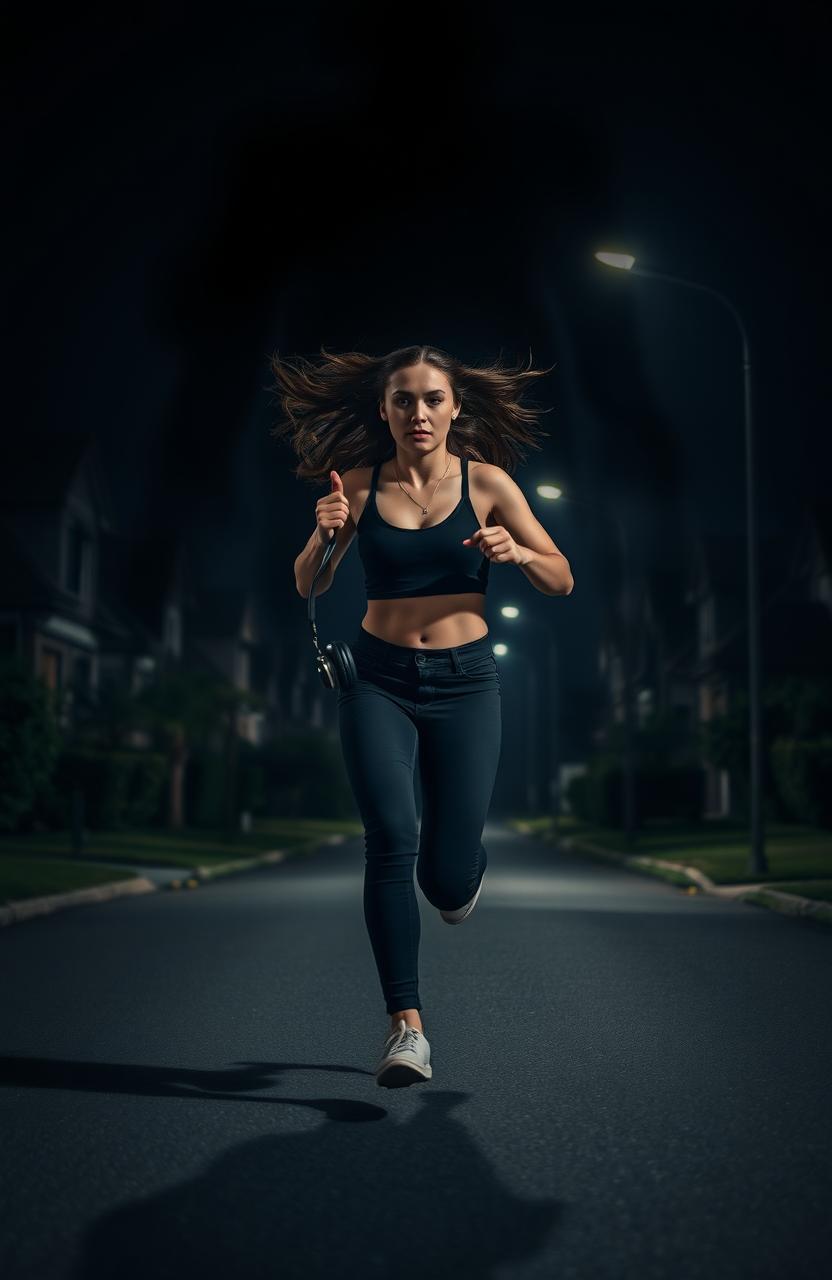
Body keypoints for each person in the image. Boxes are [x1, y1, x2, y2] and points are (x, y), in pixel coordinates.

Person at [272, 343, 573, 1088]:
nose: (419, 413)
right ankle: (406, 1028)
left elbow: (561, 578)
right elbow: (308, 582)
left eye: (432, 398)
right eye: (403, 399)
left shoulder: (489, 484)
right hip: (377, 680)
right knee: (390, 839)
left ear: (455, 407)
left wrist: (516, 552)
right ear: (384, 409)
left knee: (443, 878)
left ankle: (462, 870)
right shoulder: (360, 489)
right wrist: (325, 529)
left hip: (468, 683)